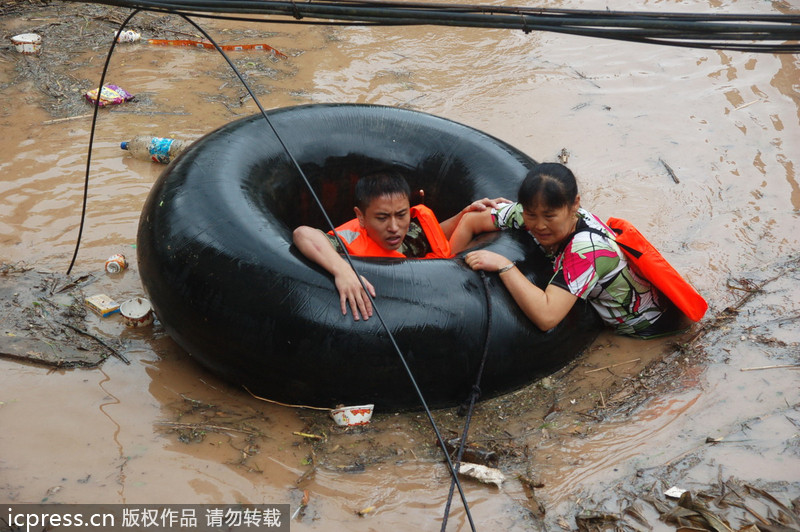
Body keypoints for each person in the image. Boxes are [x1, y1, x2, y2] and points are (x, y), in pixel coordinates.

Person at [449, 162, 688, 338]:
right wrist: (448, 268)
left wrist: (505, 266)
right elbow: (471, 221)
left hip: (650, 329)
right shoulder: (528, 213)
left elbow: (546, 317)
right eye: (531, 214)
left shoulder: (587, 250)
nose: (539, 225)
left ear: (575, 205)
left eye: (550, 216)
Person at [293, 170, 507, 321]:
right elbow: (302, 234)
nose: (394, 227)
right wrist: (342, 271)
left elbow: (434, 233)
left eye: (401, 215)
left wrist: (464, 214)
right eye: (382, 217)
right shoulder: (347, 241)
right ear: (361, 216)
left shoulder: (407, 234)